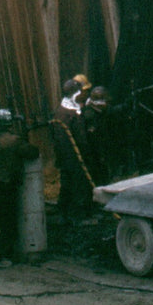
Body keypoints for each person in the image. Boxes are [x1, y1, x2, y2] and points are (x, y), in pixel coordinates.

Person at [0, 109, 39, 268]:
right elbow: (33, 153)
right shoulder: (14, 141)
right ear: (10, 124)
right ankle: (2, 257)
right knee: (7, 222)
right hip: (4, 186)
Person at [51, 79, 94, 221]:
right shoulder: (69, 114)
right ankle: (79, 216)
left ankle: (63, 213)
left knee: (67, 184)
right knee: (79, 185)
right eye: (81, 92)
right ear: (75, 93)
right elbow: (78, 139)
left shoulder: (64, 110)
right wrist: (84, 154)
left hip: (66, 157)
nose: (83, 94)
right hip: (74, 157)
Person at [80, 86, 112, 186]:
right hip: (95, 152)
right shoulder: (89, 114)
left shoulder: (99, 112)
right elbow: (92, 137)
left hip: (101, 149)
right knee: (99, 175)